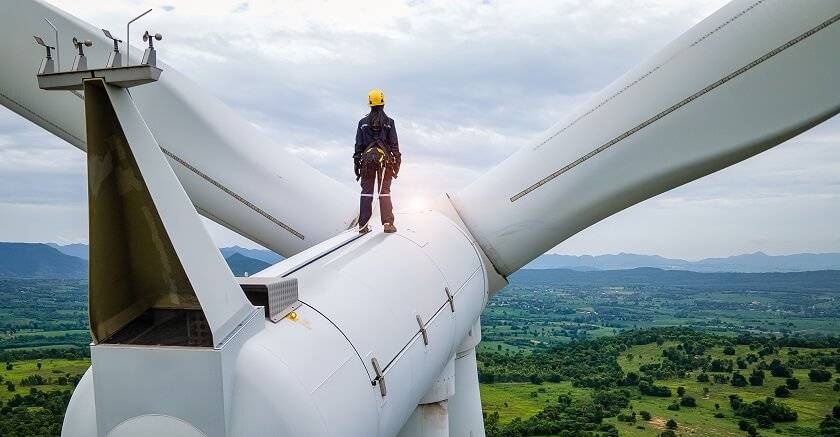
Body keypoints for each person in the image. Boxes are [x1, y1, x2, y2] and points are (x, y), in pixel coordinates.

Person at [354, 89, 401, 234]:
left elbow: (358, 145)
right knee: (384, 192)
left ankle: (362, 225)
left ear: (370, 103)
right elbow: (394, 145)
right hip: (385, 162)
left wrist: (357, 163)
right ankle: (387, 224)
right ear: (383, 103)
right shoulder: (389, 122)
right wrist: (397, 164)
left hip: (367, 163)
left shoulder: (362, 123)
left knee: (366, 192)